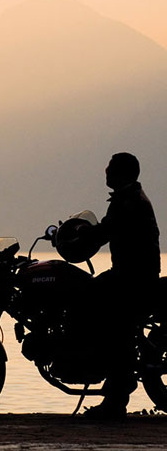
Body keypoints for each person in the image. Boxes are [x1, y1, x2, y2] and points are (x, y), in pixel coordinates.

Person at [83, 152, 161, 419]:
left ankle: (115, 401)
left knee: (111, 324)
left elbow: (106, 230)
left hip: (133, 279)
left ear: (122, 173)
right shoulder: (130, 198)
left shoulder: (128, 202)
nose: (105, 170)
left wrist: (82, 234)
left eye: (111, 167)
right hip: (134, 275)